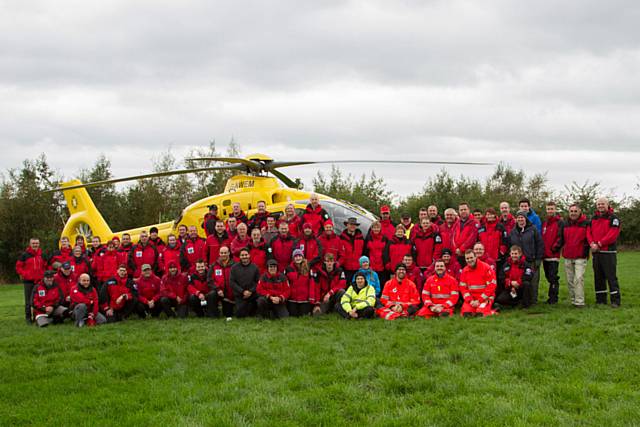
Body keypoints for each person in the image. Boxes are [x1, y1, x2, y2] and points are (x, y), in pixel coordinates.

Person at [588, 197, 621, 307]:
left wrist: (600, 244)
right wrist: (592, 243)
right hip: (596, 252)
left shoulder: (613, 218)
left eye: (602, 204)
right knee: (598, 277)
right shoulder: (593, 218)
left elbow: (613, 234)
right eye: (598, 204)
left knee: (611, 276)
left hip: (608, 252)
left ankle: (615, 300)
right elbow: (588, 232)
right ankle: (600, 300)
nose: (600, 206)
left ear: (608, 205)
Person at [509, 211, 544, 304]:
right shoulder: (513, 231)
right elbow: (510, 245)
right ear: (516, 219)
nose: (520, 219)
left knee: (533, 282)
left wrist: (538, 259)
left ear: (526, 219)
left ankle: (533, 301)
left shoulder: (533, 229)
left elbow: (539, 244)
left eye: (522, 218)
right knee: (522, 282)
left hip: (531, 260)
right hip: (518, 262)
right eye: (518, 218)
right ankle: (522, 300)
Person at [562, 204, 590, 308]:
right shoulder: (565, 224)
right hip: (568, 255)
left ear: (580, 212)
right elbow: (562, 239)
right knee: (570, 280)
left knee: (578, 279)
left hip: (580, 256)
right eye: (571, 211)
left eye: (575, 211)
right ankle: (573, 300)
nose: (573, 213)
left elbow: (589, 238)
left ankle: (580, 302)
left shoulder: (586, 223)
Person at [15, 237, 45, 324]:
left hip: (39, 281)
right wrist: (25, 274)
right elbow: (18, 267)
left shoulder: (42, 254)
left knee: (39, 300)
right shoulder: (24, 255)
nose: (35, 245)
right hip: (28, 281)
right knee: (28, 301)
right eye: (33, 243)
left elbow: (45, 266)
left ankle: (37, 317)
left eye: (36, 243)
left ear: (39, 244)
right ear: (30, 244)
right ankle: (28, 318)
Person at [459, 250, 497, 317]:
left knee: (480, 314)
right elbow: (463, 289)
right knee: (466, 314)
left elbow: (491, 287)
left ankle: (493, 311)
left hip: (485, 298)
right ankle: (475, 309)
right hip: (472, 298)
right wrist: (470, 300)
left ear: (475, 257)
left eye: (471, 258)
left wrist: (479, 300)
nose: (469, 260)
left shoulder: (486, 268)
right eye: (467, 258)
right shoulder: (464, 271)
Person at [541, 202, 564, 304]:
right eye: (548, 209)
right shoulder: (545, 222)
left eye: (552, 209)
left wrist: (554, 249)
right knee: (548, 277)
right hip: (545, 255)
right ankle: (551, 297)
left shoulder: (559, 222)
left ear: (555, 209)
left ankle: (553, 298)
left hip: (553, 255)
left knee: (553, 277)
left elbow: (560, 238)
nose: (550, 211)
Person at [230, 248, 260, 317]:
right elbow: (232, 282)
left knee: (258, 303)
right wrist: (242, 291)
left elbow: (258, 282)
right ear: (239, 256)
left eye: (246, 255)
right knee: (240, 315)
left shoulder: (255, 267)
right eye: (242, 255)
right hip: (240, 294)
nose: (244, 256)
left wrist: (250, 291)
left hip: (252, 294)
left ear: (249, 255)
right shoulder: (234, 268)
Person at [208, 246, 235, 318]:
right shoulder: (214, 265)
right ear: (219, 254)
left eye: (225, 253)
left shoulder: (235, 265)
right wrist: (218, 289)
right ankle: (214, 315)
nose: (223, 254)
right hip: (219, 292)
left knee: (228, 314)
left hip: (231, 293)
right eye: (222, 253)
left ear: (229, 253)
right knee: (211, 294)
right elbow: (210, 280)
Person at [285, 249, 312, 317]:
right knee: (293, 315)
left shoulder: (308, 268)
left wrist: (311, 297)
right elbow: (286, 284)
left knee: (303, 315)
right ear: (293, 258)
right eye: (296, 256)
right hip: (292, 298)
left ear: (302, 257)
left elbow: (312, 284)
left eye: (299, 256)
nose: (298, 258)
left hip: (304, 298)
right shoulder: (288, 268)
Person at [453, 202, 479, 267]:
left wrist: (461, 249)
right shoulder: (457, 222)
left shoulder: (474, 222)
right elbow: (452, 236)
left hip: (469, 255)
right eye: (461, 210)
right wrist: (455, 249)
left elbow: (472, 238)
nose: (463, 211)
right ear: (459, 211)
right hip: (458, 254)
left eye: (465, 209)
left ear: (469, 210)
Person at [340, 217, 365, 282]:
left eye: (354, 225)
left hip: (357, 269)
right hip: (345, 268)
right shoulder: (341, 238)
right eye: (351, 224)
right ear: (347, 225)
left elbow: (364, 252)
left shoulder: (361, 238)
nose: (352, 226)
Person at [364, 220, 388, 287]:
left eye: (378, 227)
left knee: (381, 284)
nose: (376, 229)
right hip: (371, 266)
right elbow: (365, 251)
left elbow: (387, 252)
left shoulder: (384, 238)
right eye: (374, 227)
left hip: (382, 266)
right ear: (371, 228)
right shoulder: (368, 238)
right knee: (371, 284)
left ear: (380, 228)